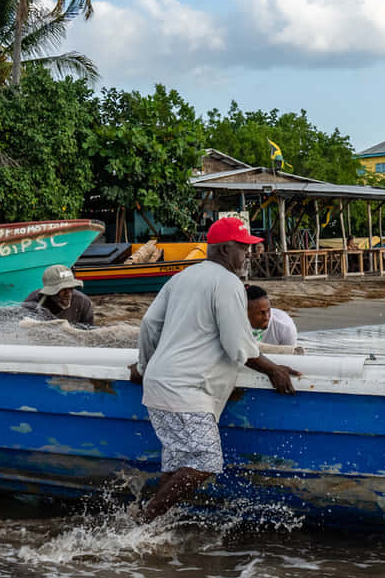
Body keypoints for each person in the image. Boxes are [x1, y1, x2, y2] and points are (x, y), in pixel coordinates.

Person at [129, 216, 300, 521]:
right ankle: (140, 522)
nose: (248, 254)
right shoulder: (228, 282)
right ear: (224, 250)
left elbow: (149, 326)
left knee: (178, 465)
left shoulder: (183, 276)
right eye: (243, 248)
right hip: (187, 390)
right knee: (206, 461)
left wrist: (143, 366)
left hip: (158, 385)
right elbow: (238, 345)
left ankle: (145, 530)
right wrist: (273, 370)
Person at [22, 265, 95, 326]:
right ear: (50, 292)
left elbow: (89, 329)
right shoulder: (34, 302)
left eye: (70, 288)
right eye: (63, 289)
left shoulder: (83, 302)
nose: (68, 293)